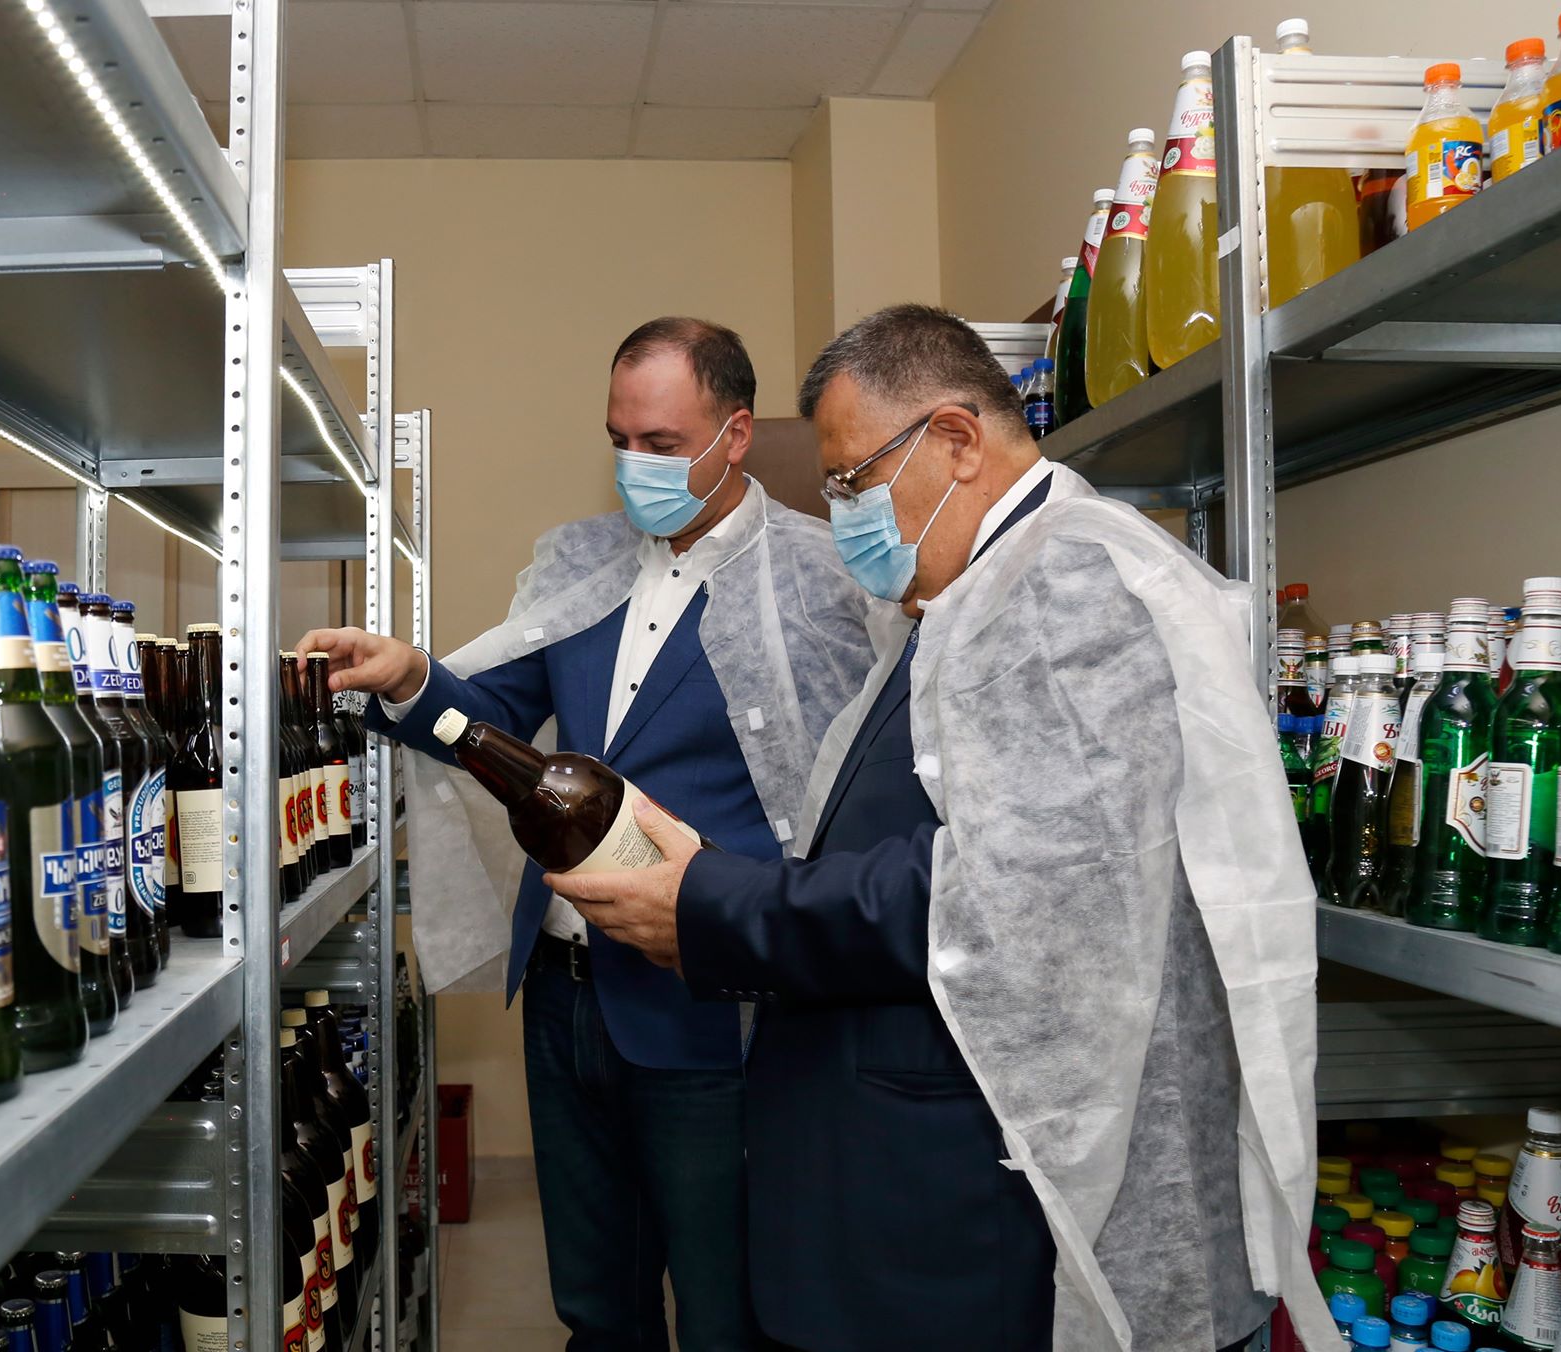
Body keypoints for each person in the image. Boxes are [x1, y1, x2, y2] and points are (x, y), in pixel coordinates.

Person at [546, 305, 1332, 1352]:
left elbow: (1008, 893)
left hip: (973, 1207)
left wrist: (712, 901)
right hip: (918, 1189)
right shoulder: (969, 592)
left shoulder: (1064, 585)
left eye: (851, 480)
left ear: (956, 439)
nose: (843, 512)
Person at [298, 317, 879, 1350]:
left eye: (661, 443)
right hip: (566, 1001)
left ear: (735, 434)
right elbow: (490, 720)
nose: (633, 464)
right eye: (619, 440)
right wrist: (410, 677)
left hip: (708, 1003)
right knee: (596, 1303)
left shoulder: (819, 577)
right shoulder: (585, 565)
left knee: (723, 1307)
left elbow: (844, 788)